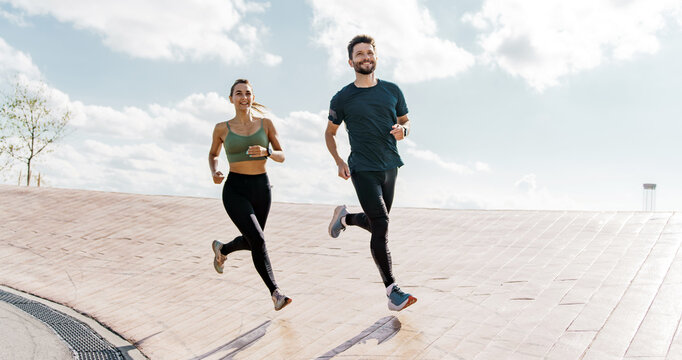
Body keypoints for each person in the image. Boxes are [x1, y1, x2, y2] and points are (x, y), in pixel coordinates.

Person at [324, 35, 417, 311]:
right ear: (351, 61)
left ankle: (346, 218)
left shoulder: (392, 91)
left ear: (375, 57)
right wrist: (339, 160)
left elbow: (406, 121)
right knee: (382, 225)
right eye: (360, 54)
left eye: (369, 52)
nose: (365, 57)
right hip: (362, 168)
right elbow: (330, 133)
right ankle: (392, 291)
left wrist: (404, 131)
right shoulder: (342, 97)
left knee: (378, 223)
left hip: (390, 166)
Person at [209, 79, 291, 311]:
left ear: (252, 98)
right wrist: (215, 170)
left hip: (261, 188)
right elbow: (213, 154)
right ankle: (276, 293)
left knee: (254, 240)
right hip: (235, 188)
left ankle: (222, 249)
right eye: (238, 93)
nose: (244, 97)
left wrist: (267, 152)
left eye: (247, 93)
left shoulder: (266, 124)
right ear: (231, 98)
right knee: (259, 240)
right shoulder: (221, 128)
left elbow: (282, 155)